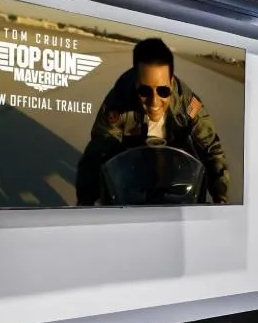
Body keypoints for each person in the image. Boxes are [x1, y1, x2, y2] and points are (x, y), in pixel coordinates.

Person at [74, 37, 231, 205]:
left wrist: (220, 197)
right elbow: (98, 152)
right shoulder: (118, 102)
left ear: (171, 82)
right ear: (135, 82)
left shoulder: (187, 104)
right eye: (144, 90)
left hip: (174, 166)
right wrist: (85, 202)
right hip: (132, 163)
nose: (154, 102)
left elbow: (211, 148)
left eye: (163, 91)